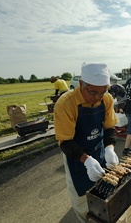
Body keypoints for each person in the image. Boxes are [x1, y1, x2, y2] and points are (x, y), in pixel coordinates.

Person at [54, 63, 121, 223]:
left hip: (99, 149)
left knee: (107, 192)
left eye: (103, 91)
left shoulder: (107, 99)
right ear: (81, 85)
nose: (98, 97)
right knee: (83, 202)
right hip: (76, 155)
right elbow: (65, 142)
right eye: (93, 92)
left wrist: (110, 148)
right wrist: (87, 160)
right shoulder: (66, 104)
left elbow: (109, 127)